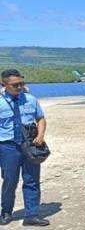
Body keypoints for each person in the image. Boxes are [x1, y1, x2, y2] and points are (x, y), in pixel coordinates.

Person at [0, 69, 49, 226]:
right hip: (7, 147)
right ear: (4, 85)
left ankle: (31, 215)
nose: (20, 87)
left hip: (30, 145)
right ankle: (6, 212)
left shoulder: (30, 99)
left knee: (32, 180)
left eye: (22, 83)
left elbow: (40, 118)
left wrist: (40, 136)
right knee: (10, 180)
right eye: (15, 85)